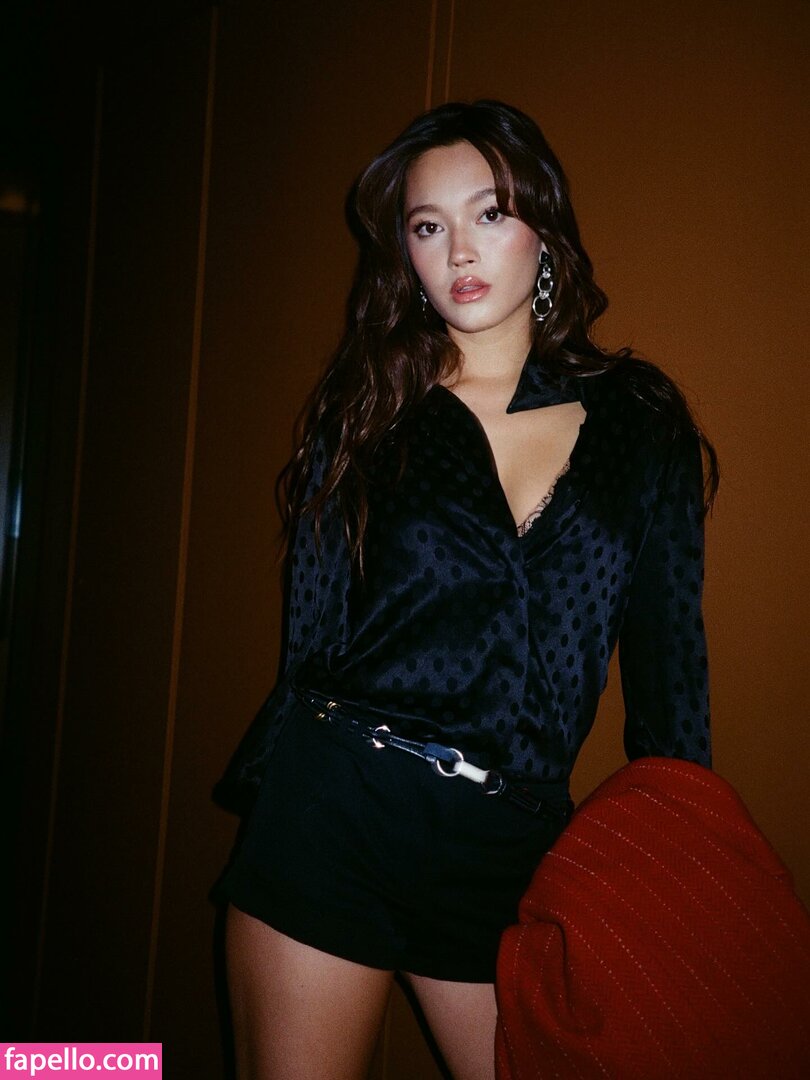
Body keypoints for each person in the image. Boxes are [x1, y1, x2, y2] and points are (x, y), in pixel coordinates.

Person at [213, 100, 718, 1080]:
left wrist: (680, 881)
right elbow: (310, 645)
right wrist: (280, 815)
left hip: (508, 843)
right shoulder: (369, 414)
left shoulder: (639, 423)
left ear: (546, 229)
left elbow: (672, 683)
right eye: (427, 226)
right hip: (339, 805)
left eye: (490, 213)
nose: (459, 252)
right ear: (405, 253)